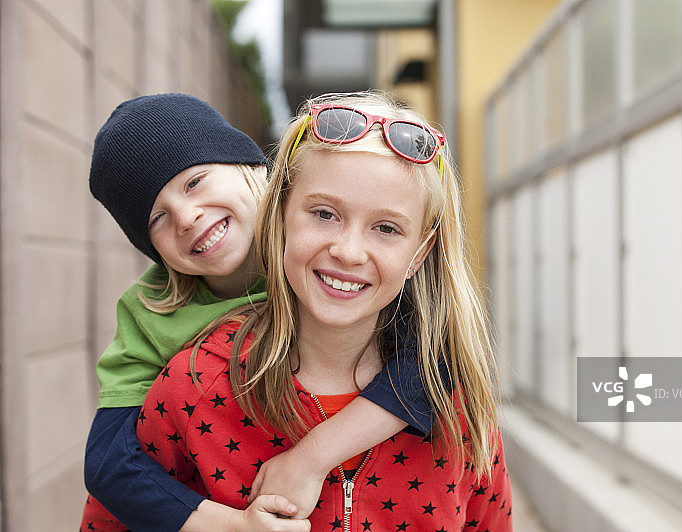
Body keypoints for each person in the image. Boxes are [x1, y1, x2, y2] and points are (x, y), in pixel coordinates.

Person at [87, 91, 513, 531]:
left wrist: (313, 457)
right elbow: (108, 469)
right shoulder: (166, 345)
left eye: (195, 182)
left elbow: (436, 362)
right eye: (157, 217)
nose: (187, 216)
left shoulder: (451, 404)